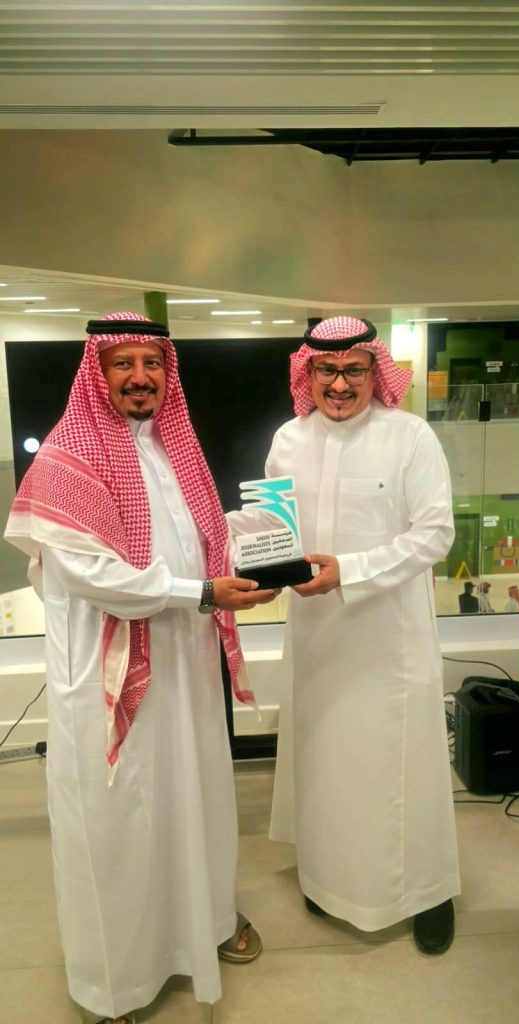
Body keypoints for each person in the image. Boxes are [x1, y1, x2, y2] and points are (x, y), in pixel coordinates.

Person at [4, 313, 278, 1024]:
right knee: (119, 820)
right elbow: (93, 576)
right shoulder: (68, 456)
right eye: (123, 363)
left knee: (197, 796)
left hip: (184, 662)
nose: (139, 377)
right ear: (97, 373)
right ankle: (116, 981)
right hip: (109, 673)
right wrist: (202, 593)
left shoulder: (171, 447)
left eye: (152, 363)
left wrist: (265, 552)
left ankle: (204, 925)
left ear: (167, 374)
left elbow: (198, 536)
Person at [228, 315, 460, 956]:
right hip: (317, 637)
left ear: (374, 372)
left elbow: (435, 534)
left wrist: (349, 571)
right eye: (325, 371)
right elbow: (271, 526)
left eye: (352, 370)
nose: (338, 384)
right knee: (327, 765)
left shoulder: (409, 437)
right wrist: (245, 555)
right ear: (307, 374)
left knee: (401, 771)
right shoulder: (288, 439)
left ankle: (428, 893)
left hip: (389, 642)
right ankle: (328, 881)